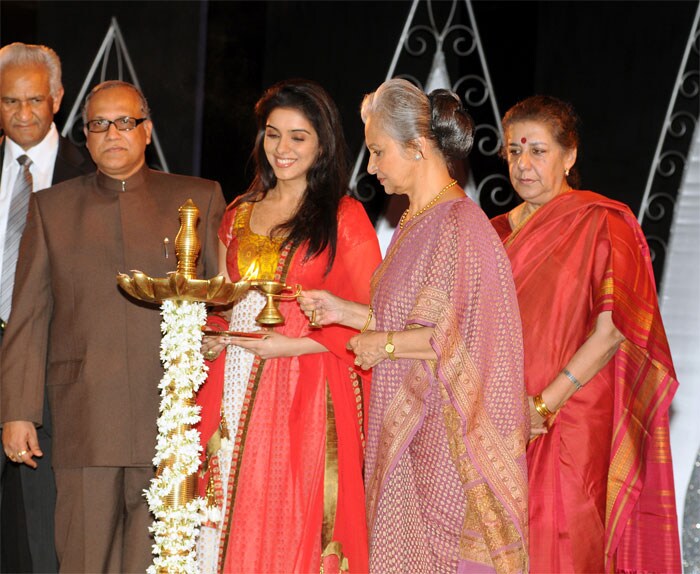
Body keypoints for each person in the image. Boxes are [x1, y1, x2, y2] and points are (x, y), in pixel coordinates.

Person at [298, 78, 529, 573]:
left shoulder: (461, 225)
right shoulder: (414, 222)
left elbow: (448, 338)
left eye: (379, 152)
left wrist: (378, 346)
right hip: (405, 435)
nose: (373, 167)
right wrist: (343, 311)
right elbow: (409, 321)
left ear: (418, 146)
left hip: (444, 445)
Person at [0, 80, 225, 572]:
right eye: (99, 124)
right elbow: (29, 314)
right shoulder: (52, 208)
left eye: (125, 122)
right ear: (86, 136)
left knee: (158, 561)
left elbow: (223, 302)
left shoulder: (197, 199)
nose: (113, 133)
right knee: (82, 559)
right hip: (84, 418)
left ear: (147, 131)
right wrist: (17, 411)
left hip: (169, 421)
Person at [195, 79, 381, 573]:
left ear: (323, 143)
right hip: (232, 381)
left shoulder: (345, 217)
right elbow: (221, 297)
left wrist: (294, 346)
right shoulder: (238, 213)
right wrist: (211, 337)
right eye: (273, 134)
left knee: (292, 509)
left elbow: (374, 321)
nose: (282, 149)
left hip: (306, 387)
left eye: (298, 137)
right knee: (226, 499)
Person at [490, 94, 682, 573]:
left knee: (565, 543)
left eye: (538, 151)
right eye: (514, 151)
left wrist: (542, 406)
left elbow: (613, 330)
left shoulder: (602, 221)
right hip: (496, 418)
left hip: (570, 415)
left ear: (569, 156)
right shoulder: (491, 233)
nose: (524, 164)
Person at [0, 42, 93, 573]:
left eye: (35, 100)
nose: (24, 114)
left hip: (57, 372)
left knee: (43, 537)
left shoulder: (91, 175)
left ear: (57, 98)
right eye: (10, 102)